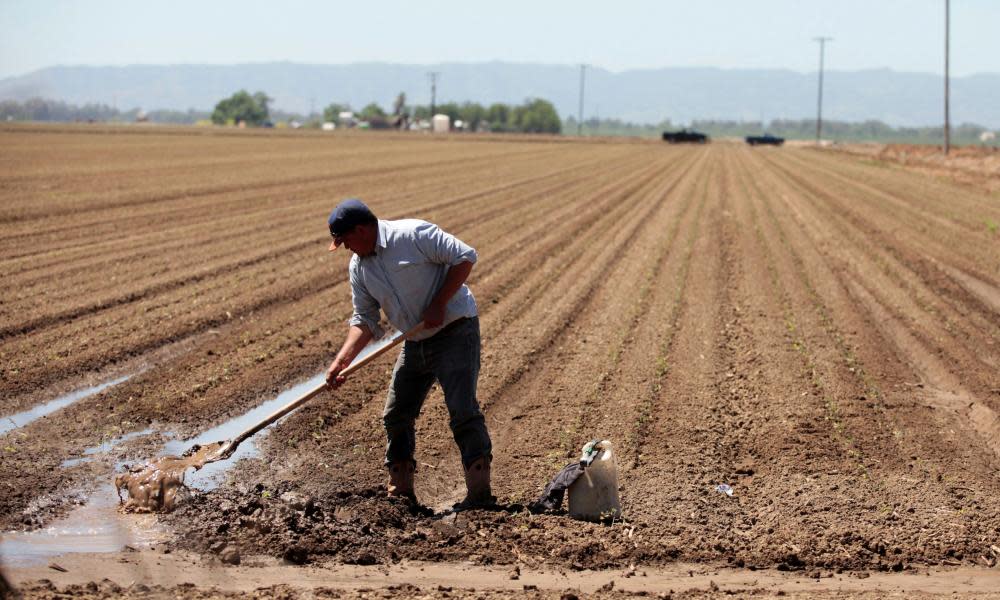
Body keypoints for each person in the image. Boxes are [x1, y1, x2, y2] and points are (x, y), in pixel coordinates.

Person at [324, 198, 494, 509]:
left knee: (462, 410)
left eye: (345, 240)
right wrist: (342, 360)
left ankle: (479, 495)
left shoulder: (413, 234)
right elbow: (364, 318)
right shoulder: (359, 267)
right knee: (396, 413)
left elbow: (465, 256)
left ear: (361, 230)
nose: (345, 248)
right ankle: (401, 492)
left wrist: (439, 303)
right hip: (415, 341)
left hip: (456, 331)